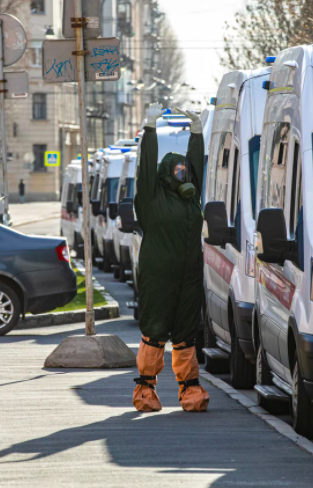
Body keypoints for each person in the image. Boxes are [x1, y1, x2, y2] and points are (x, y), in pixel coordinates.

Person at [132, 103, 209, 413]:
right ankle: (145, 393)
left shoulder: (191, 199)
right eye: (177, 171)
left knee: (186, 334)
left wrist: (198, 131)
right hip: (158, 277)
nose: (182, 175)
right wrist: (150, 129)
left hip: (188, 277)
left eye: (184, 171)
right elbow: (146, 166)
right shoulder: (151, 199)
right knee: (155, 331)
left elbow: (197, 165)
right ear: (165, 175)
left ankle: (191, 392)